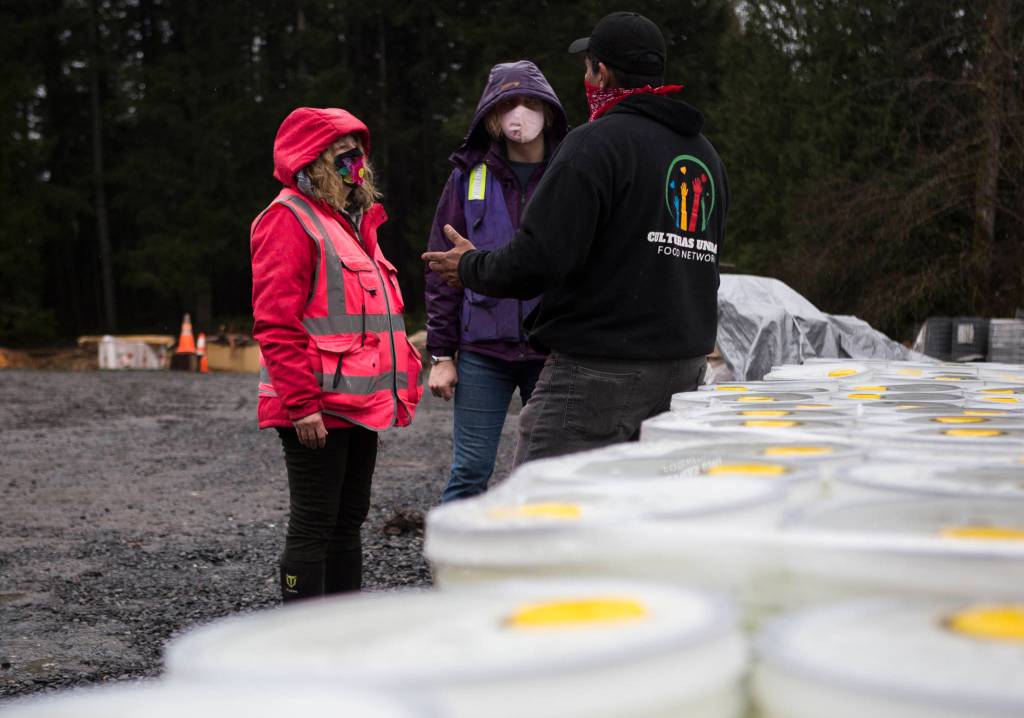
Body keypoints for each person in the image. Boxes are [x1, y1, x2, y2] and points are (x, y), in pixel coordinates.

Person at [423, 11, 728, 464]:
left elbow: (538, 260)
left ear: (601, 72)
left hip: (599, 370)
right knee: (633, 505)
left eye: (588, 67)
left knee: (544, 506)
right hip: (683, 369)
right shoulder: (702, 153)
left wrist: (468, 267)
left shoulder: (595, 143)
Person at [251, 107, 422, 601]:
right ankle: (302, 636)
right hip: (315, 407)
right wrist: (302, 405)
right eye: (342, 154)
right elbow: (275, 323)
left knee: (349, 519)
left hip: (357, 404)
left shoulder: (353, 222)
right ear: (314, 159)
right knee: (314, 523)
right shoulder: (288, 219)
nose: (356, 164)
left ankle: (343, 629)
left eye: (358, 152)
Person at [425, 61, 568, 502]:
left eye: (529, 103)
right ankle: (456, 566)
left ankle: (542, 564)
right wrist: (441, 355)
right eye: (507, 104)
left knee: (551, 473)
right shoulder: (468, 177)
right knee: (470, 470)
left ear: (548, 111)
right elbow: (441, 269)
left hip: (552, 349)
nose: (518, 114)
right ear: (491, 114)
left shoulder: (573, 172)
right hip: (482, 351)